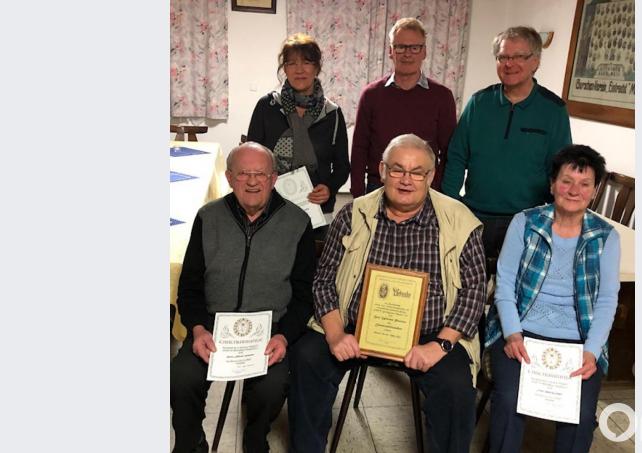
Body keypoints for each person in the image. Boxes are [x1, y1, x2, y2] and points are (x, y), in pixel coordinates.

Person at [289, 134, 486, 452]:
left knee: (455, 389)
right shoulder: (353, 214)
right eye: (397, 170)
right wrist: (337, 335)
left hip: (433, 336)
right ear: (382, 170)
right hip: (353, 328)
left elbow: (474, 293)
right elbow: (324, 281)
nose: (406, 180)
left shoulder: (460, 220)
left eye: (417, 172)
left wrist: (440, 345)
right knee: (307, 358)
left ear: (430, 176)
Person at [170, 142, 315, 453]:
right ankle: (192, 442)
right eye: (243, 174)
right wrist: (197, 329)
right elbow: (189, 285)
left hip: (268, 331)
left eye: (260, 174)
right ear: (229, 177)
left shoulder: (298, 222)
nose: (252, 181)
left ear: (274, 178)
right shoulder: (208, 217)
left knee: (272, 387)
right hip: (212, 327)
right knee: (181, 379)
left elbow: (304, 295)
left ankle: (255, 440)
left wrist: (283, 337)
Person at [484, 145, 620, 453]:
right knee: (508, 401)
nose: (574, 190)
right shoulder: (526, 223)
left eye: (584, 184)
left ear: (594, 190)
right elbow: (503, 283)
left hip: (579, 341)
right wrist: (512, 333)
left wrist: (592, 351)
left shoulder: (605, 236)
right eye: (566, 180)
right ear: (552, 184)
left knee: (581, 416)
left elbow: (607, 300)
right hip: (521, 332)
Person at [442, 26, 572, 259]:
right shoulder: (478, 103)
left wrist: (554, 220)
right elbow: (456, 156)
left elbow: (561, 171)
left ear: (536, 62)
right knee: (468, 288)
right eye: (503, 57)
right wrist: (452, 204)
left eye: (519, 56)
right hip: (473, 217)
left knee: (515, 292)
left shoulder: (554, 110)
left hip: (526, 222)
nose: (509, 64)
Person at [247, 33, 349, 240]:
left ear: (317, 68)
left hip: (316, 208)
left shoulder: (332, 113)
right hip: (270, 204)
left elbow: (342, 166)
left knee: (310, 265)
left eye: (307, 62)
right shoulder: (267, 107)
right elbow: (251, 157)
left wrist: (329, 188)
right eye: (292, 63)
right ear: (284, 69)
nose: (299, 69)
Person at [349, 17, 457, 197]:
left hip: (424, 190)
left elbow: (448, 153)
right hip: (378, 188)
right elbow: (359, 148)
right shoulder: (371, 95)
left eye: (415, 47)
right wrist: (358, 193)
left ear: (424, 52)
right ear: (391, 51)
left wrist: (437, 190)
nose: (408, 54)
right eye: (401, 47)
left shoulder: (442, 96)